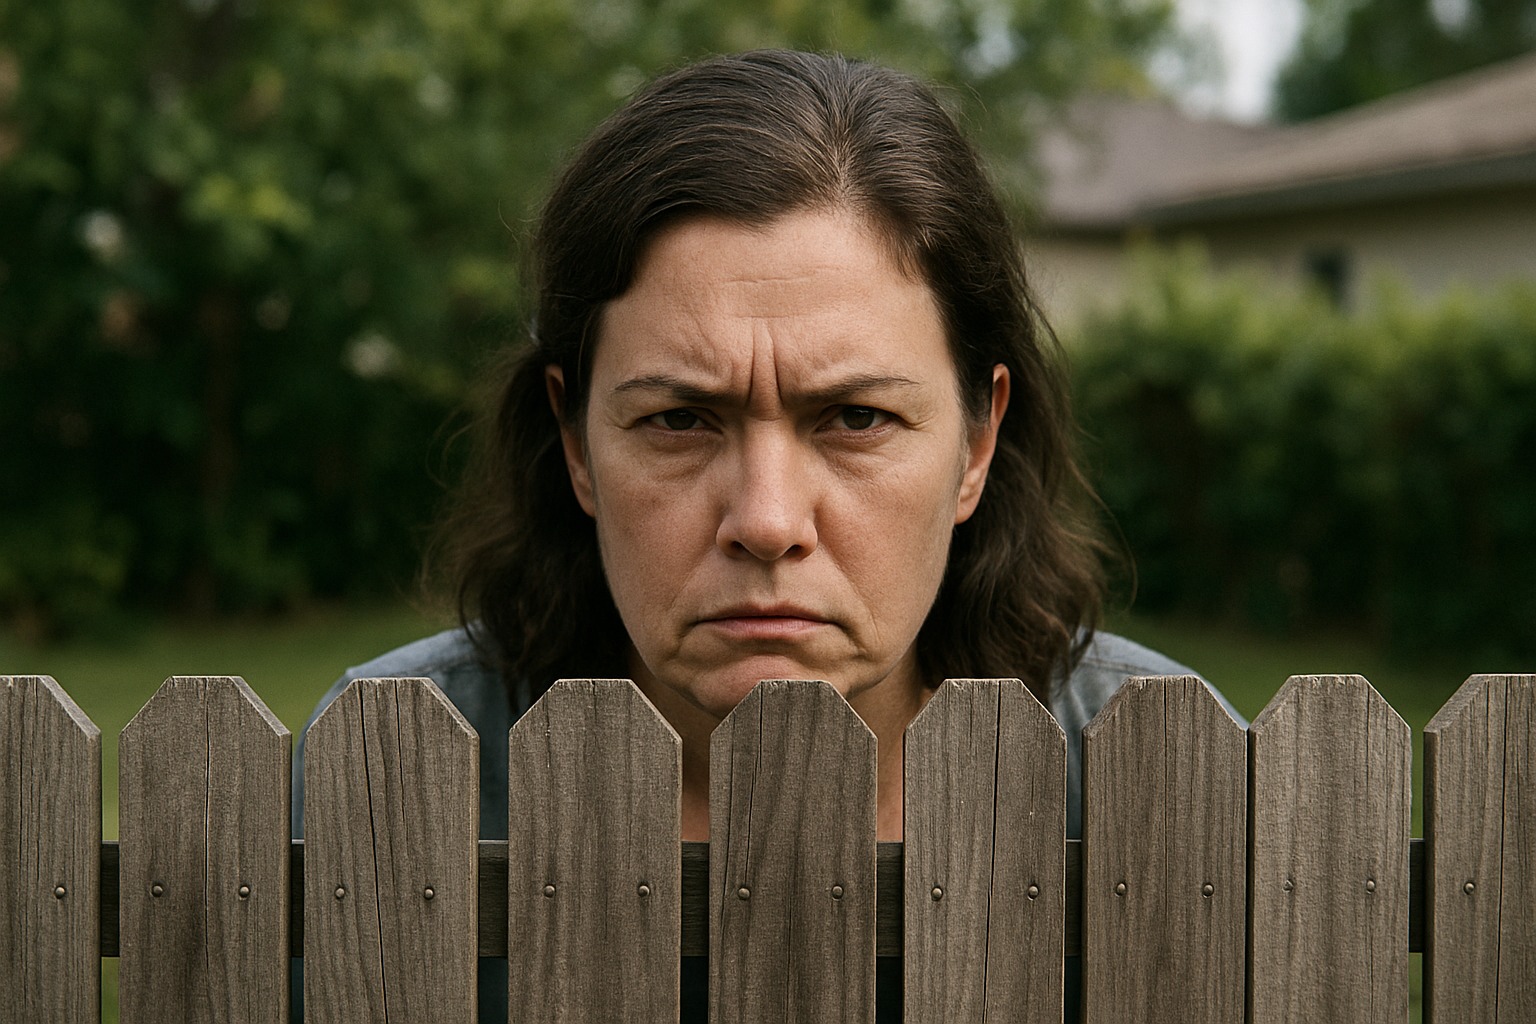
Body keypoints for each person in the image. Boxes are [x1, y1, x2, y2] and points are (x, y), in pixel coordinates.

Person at [292, 49, 1236, 1022]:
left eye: (856, 418)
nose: (768, 521)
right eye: (678, 419)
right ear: (576, 442)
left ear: (976, 443)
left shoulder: (1160, 778)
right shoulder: (391, 769)